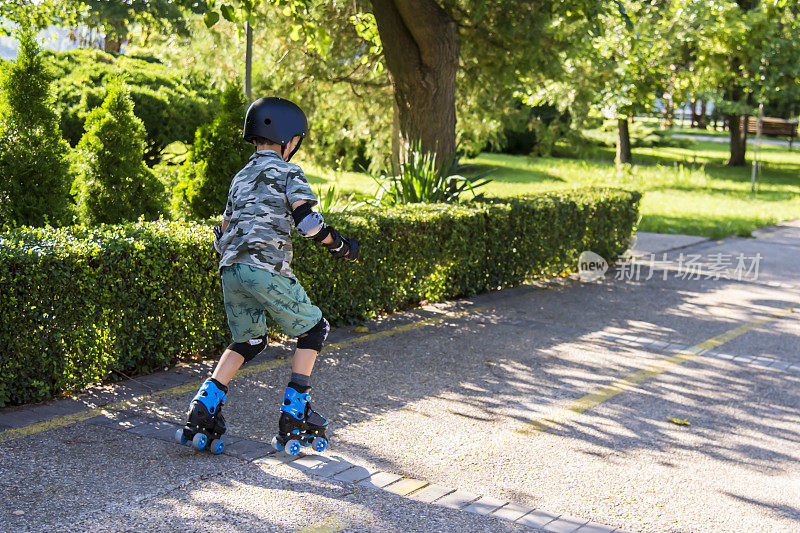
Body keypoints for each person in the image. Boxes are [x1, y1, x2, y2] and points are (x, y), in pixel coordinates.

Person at [175, 97, 359, 456]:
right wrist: (340, 246)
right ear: (289, 140)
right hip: (265, 269)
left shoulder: (240, 176)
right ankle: (293, 413)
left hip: (230, 269)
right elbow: (306, 223)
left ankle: (203, 407)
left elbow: (223, 229)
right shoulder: (289, 173)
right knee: (315, 329)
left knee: (250, 341)